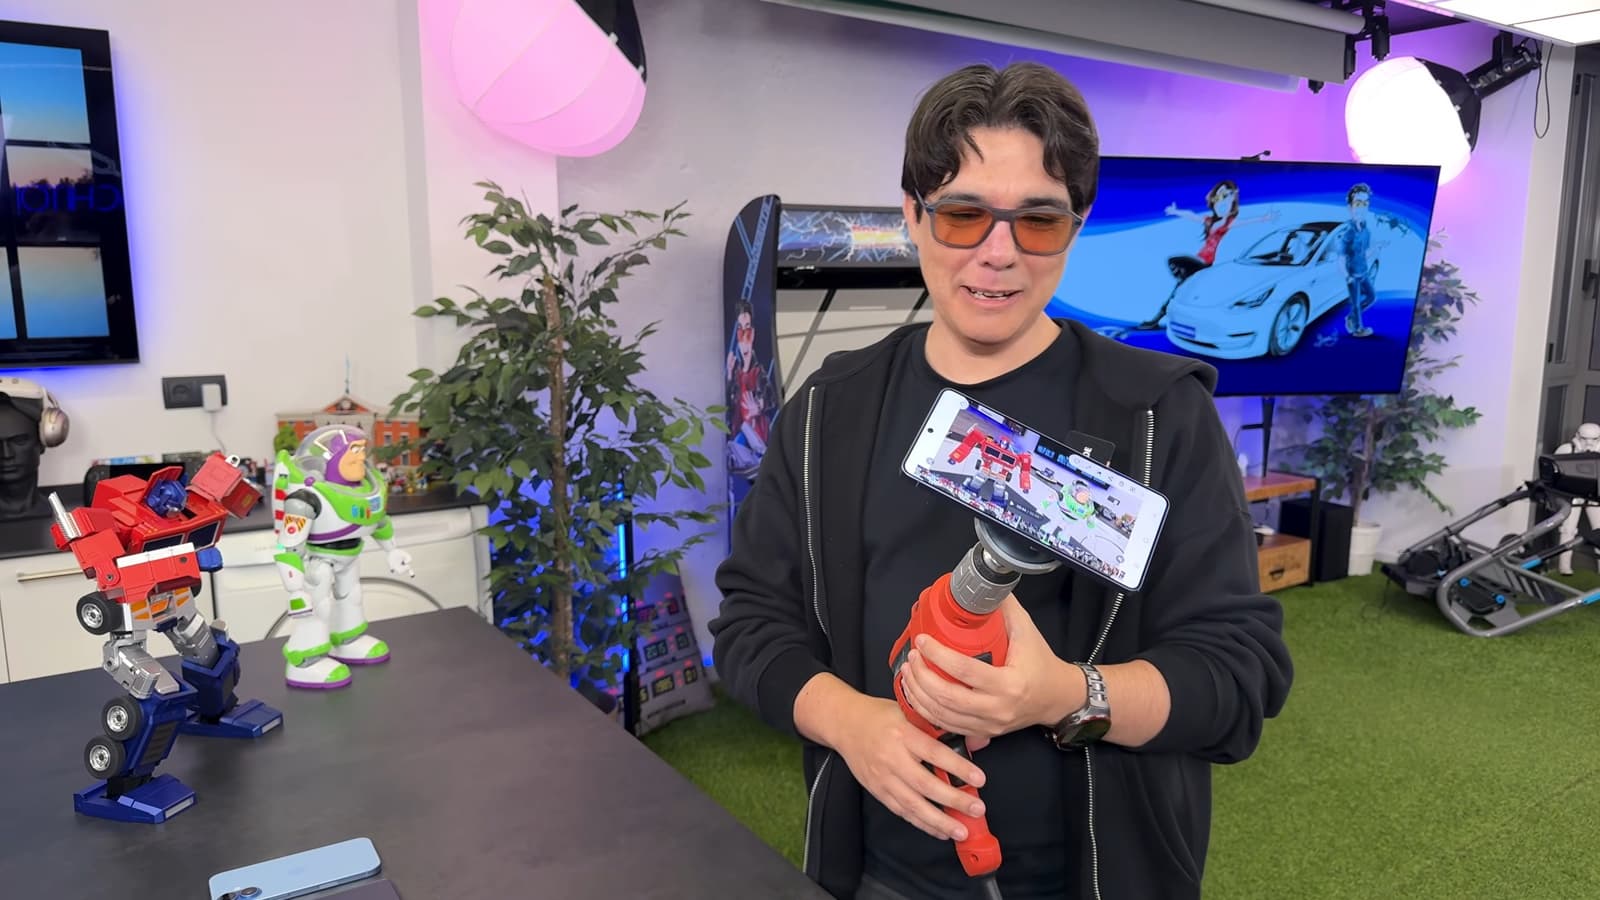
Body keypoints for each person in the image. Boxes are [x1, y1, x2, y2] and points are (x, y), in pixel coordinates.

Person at [709, 61, 1293, 900]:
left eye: (1038, 221)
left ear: (1076, 227)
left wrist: (1063, 694)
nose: (998, 254)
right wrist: (855, 723)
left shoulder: (1158, 417)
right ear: (913, 215)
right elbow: (751, 627)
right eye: (963, 214)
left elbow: (1239, 675)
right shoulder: (829, 413)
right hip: (878, 876)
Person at [1334, 183, 1385, 339]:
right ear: (1350, 207)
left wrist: (1376, 248)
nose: (1362, 208)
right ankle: (1357, 329)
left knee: (1371, 297)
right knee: (1355, 304)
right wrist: (1347, 276)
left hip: (1363, 272)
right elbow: (1341, 258)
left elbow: (1365, 254)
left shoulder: (1366, 231)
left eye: (1365, 203)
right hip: (1353, 276)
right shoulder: (1347, 233)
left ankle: (1351, 318)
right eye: (1358, 203)